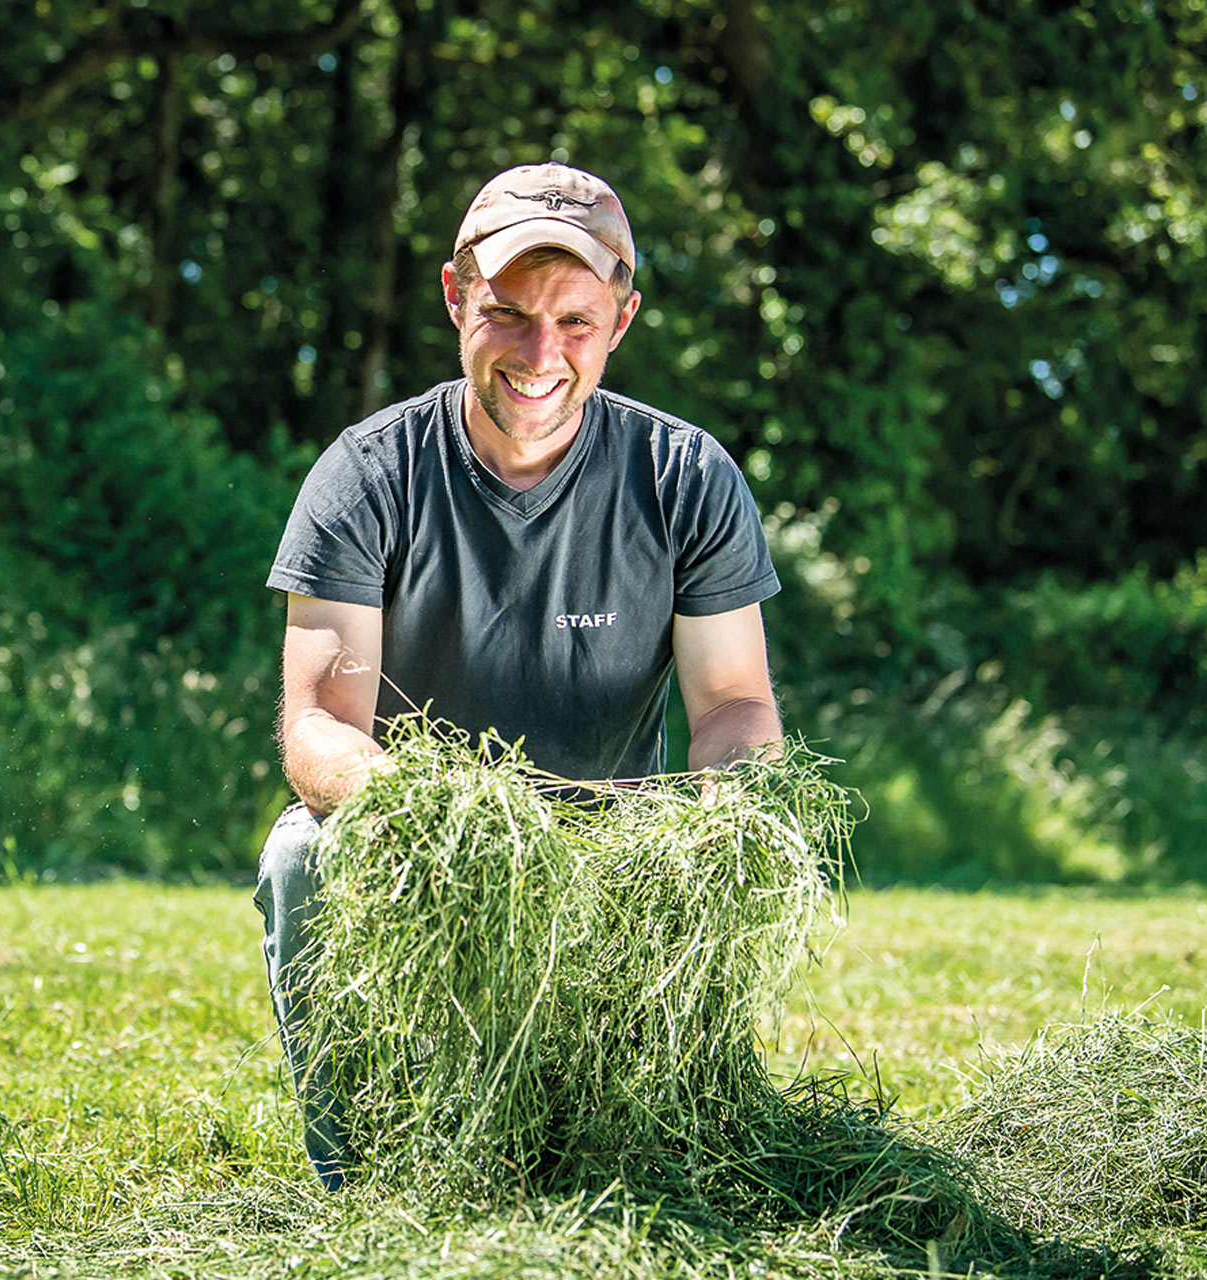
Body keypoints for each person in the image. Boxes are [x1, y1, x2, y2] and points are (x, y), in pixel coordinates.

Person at [252, 163, 784, 1189]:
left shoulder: (684, 476)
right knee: (303, 856)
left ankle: (638, 1151)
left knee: (616, 1176)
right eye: (507, 313)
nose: (542, 354)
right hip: (425, 857)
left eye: (576, 319)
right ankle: (367, 1183)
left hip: (617, 856)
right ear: (456, 298)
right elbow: (321, 719)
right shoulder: (370, 475)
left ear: (622, 320)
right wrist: (433, 810)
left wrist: (724, 811)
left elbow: (733, 702)